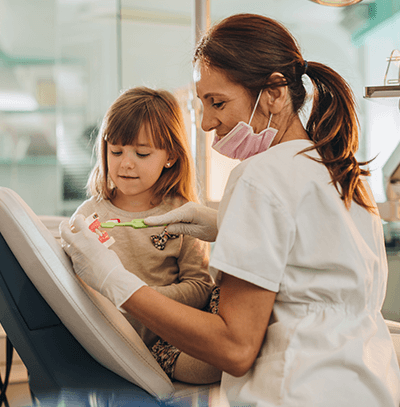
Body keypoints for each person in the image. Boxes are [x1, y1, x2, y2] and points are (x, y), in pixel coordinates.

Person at [60, 14, 400, 407]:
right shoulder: (343, 172)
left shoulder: (260, 176)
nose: (206, 123)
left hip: (296, 391)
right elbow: (316, 268)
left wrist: (112, 279)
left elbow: (235, 349)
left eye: (217, 102)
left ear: (274, 92)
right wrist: (225, 225)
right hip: (370, 388)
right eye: (202, 104)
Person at [63, 86, 221, 384]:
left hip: (168, 342)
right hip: (108, 344)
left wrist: (141, 298)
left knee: (215, 366)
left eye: (142, 153)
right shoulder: (87, 217)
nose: (126, 163)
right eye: (116, 151)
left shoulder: (184, 216)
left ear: (171, 157)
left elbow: (201, 287)